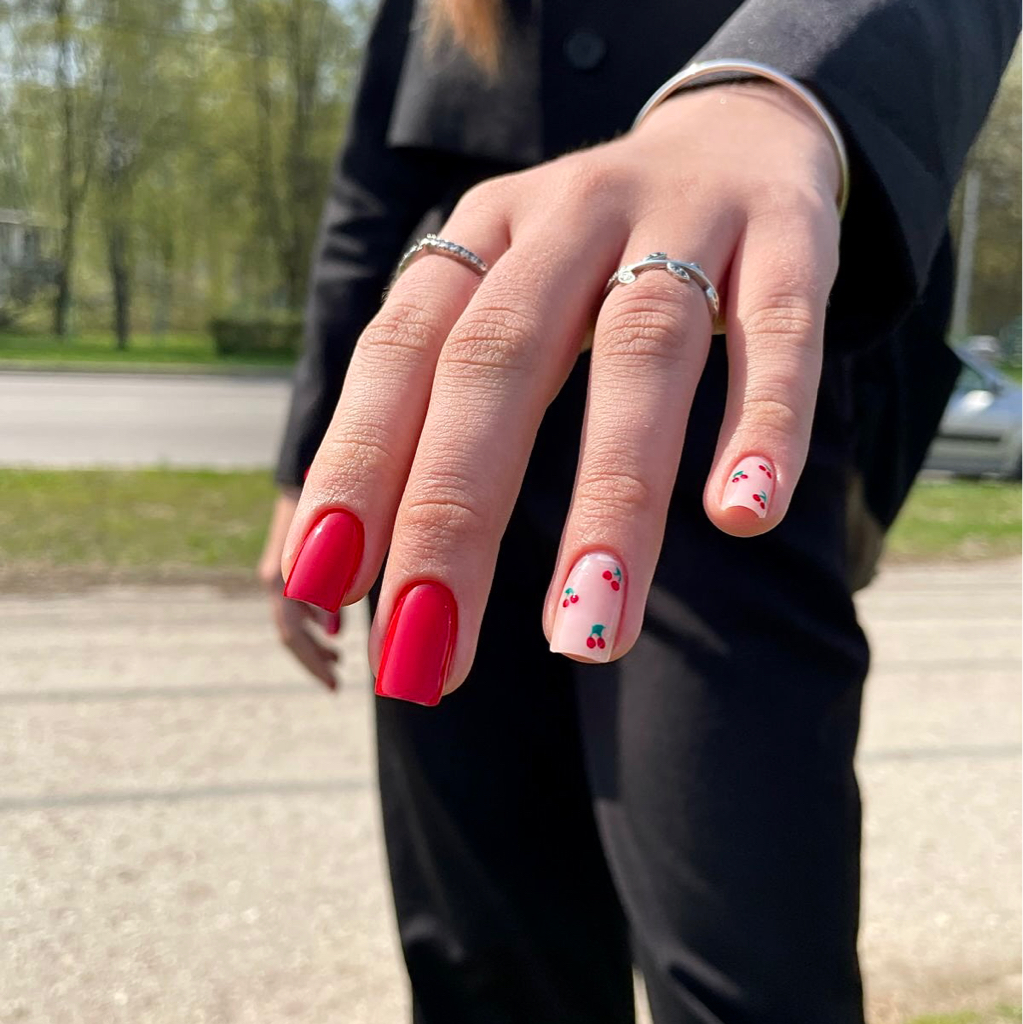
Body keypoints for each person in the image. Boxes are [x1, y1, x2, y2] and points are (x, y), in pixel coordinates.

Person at [257, 1, 1020, 1020]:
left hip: (722, 371)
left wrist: (781, 82)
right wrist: (314, 462)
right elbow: (376, 169)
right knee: (484, 958)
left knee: (749, 961)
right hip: (458, 391)